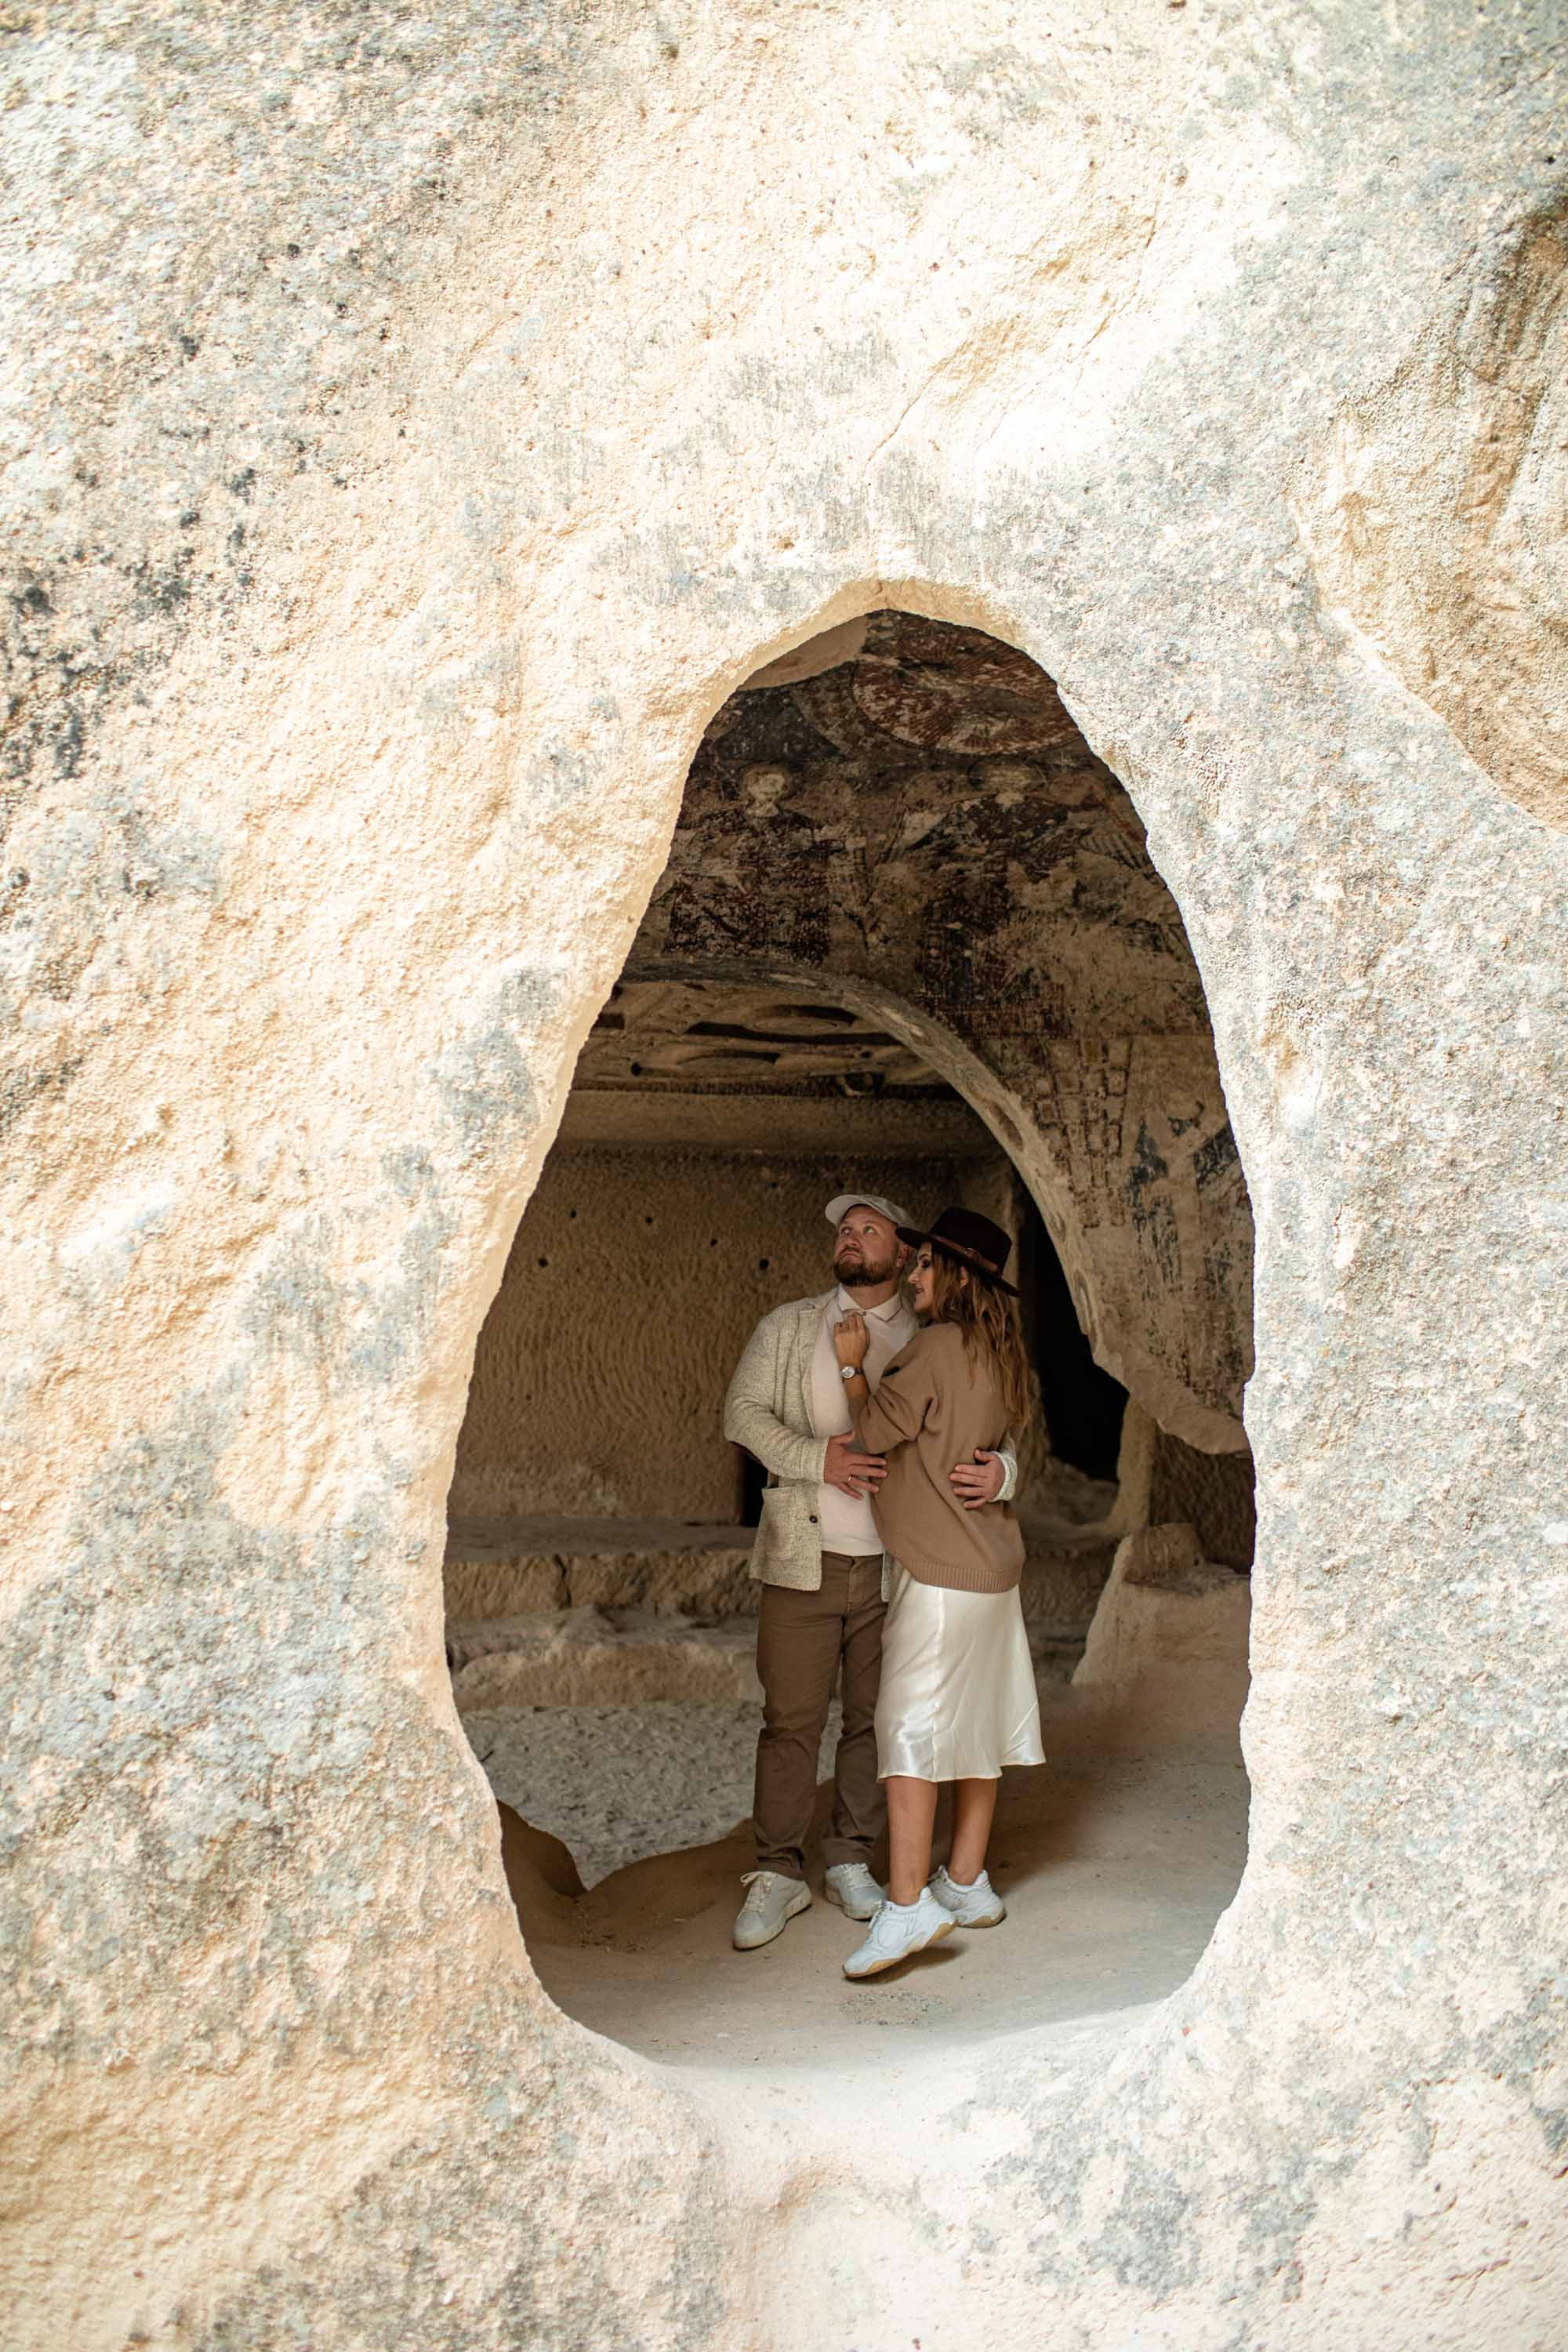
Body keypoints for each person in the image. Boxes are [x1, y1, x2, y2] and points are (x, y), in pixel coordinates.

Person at [722, 1192, 1020, 1951]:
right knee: (789, 1720)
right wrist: (815, 1458)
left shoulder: (935, 1333)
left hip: (899, 1569)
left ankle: (851, 1859)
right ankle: (777, 1873)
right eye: (843, 1231)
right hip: (804, 1556)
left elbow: (1003, 1431)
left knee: (872, 1725)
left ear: (906, 1255)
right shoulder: (790, 1327)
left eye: (871, 1230)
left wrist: (1005, 1475)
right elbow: (742, 1415)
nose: (852, 1240)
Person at [832, 1206, 1044, 1980]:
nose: (913, 1277)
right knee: (977, 1727)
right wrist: (1006, 1475)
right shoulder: (1000, 1350)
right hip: (992, 1569)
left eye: (924, 1265)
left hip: (942, 1576)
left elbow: (870, 1437)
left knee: (908, 1731)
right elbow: (1006, 1450)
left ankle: (904, 1906)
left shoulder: (933, 1347)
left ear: (952, 1275)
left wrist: (855, 1368)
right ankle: (966, 1884)